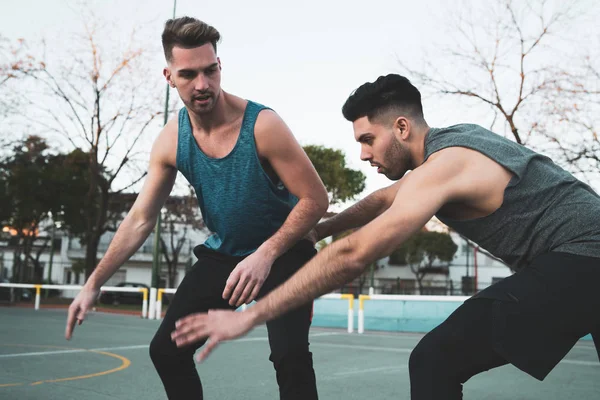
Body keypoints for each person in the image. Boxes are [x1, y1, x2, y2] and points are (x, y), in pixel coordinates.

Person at [171, 73, 600, 399]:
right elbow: (382, 200)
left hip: (582, 256)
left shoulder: (444, 167)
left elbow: (355, 254)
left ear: (400, 128)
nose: (362, 154)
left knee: (436, 359)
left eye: (367, 139)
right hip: (584, 257)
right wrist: (318, 229)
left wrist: (249, 315)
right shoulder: (454, 144)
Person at [64, 16, 328, 400]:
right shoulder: (172, 140)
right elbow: (140, 219)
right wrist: (93, 284)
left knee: (290, 357)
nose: (203, 84)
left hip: (283, 252)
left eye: (210, 70)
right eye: (189, 74)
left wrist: (267, 253)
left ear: (220, 67)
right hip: (225, 255)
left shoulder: (262, 125)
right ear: (169, 76)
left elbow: (316, 198)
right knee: (166, 351)